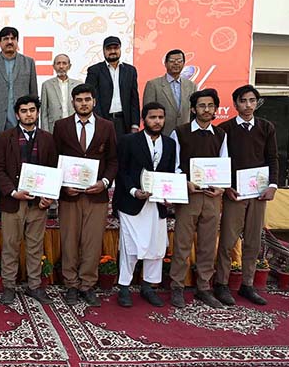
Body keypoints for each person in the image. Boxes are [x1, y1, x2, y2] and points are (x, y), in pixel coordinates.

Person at [53, 83, 117, 307]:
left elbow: (113, 160)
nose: (83, 103)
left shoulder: (107, 126)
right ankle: (71, 284)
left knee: (91, 241)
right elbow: (55, 159)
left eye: (87, 99)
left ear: (94, 102)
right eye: (79, 100)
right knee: (69, 240)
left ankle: (88, 284)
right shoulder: (61, 126)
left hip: (96, 195)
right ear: (73, 102)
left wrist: (105, 182)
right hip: (69, 195)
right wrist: (62, 186)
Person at [214, 85, 279, 306]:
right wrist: (227, 186)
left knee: (253, 240)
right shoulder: (225, 129)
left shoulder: (266, 127)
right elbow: (221, 163)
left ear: (257, 103)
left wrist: (272, 185)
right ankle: (221, 284)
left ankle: (247, 285)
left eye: (252, 100)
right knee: (228, 240)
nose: (248, 105)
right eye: (243, 101)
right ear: (235, 104)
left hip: (259, 193)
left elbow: (272, 158)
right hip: (235, 193)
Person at [0, 95, 56, 305]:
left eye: (32, 110)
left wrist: (49, 196)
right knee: (10, 245)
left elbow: (53, 170)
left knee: (35, 246)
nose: (28, 114)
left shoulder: (47, 138)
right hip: (13, 202)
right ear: (17, 114)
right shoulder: (5, 137)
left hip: (38, 204)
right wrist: (12, 192)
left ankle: (34, 286)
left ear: (37, 112)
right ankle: (9, 286)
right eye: (24, 110)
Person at [113, 102, 176, 308]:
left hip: (157, 204)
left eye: (160, 117)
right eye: (152, 117)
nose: (157, 121)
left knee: (156, 247)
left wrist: (170, 194)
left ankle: (148, 286)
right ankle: (124, 286)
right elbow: (121, 171)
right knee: (130, 246)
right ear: (143, 119)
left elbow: (169, 174)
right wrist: (134, 191)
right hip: (133, 203)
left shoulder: (169, 143)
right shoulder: (129, 141)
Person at [169, 88, 228, 308]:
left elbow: (224, 164)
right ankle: (177, 286)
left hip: (212, 197)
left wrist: (221, 187)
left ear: (215, 109)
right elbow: (174, 164)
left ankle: (204, 287)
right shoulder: (180, 132)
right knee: (182, 244)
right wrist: (184, 183)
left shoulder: (221, 135)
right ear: (193, 109)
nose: (206, 109)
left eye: (210, 106)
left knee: (207, 244)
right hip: (189, 195)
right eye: (202, 106)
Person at [0, 26, 38, 134]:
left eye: (13, 38)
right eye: (5, 38)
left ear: (17, 41)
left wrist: (35, 123)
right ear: (0, 42)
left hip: (21, 120)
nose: (9, 41)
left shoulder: (28, 63)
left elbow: (33, 94)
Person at [85, 36, 140, 137]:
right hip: (102, 121)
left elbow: (134, 99)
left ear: (120, 49)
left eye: (116, 48)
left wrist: (135, 124)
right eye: (109, 49)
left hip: (124, 122)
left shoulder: (130, 70)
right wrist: (98, 121)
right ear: (104, 51)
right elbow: (90, 97)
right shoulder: (95, 70)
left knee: (124, 151)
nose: (113, 51)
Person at [142, 49, 197, 136]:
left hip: (185, 135)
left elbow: (194, 113)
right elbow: (148, 113)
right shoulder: (153, 85)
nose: (176, 63)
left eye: (179, 61)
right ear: (165, 63)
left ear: (184, 64)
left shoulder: (191, 85)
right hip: (162, 134)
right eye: (172, 61)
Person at [40, 53, 82, 130]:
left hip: (75, 127)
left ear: (69, 66)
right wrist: (45, 132)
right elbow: (44, 112)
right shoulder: (47, 85)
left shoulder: (78, 84)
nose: (61, 66)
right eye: (58, 63)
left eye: (64, 63)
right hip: (54, 127)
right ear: (54, 66)